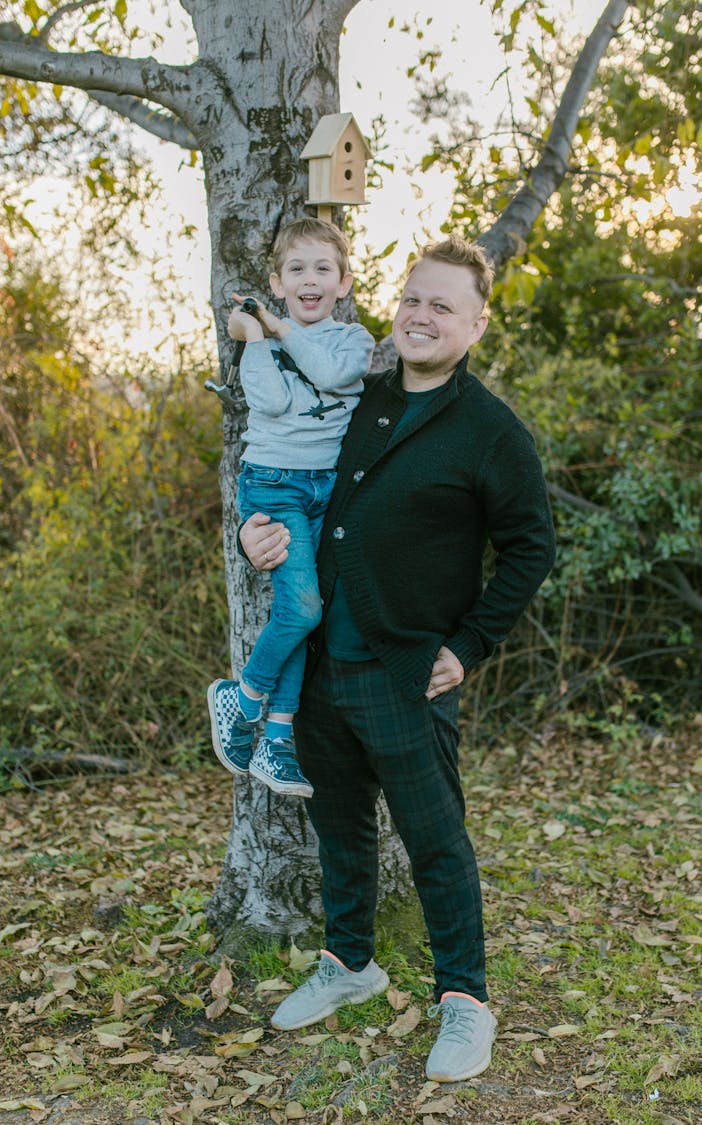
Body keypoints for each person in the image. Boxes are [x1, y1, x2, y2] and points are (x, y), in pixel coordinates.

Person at [239, 233, 556, 1083]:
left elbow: (532, 546)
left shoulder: (490, 430)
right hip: (321, 665)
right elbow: (285, 473)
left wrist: (471, 642)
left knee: (434, 840)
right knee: (339, 830)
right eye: (412, 298)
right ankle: (351, 964)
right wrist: (254, 533)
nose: (420, 315)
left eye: (442, 305)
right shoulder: (358, 397)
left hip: (407, 670)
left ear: (476, 324)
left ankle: (466, 999)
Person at [208, 218, 374, 799]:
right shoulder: (262, 344)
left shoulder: (354, 342)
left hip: (327, 489)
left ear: (344, 282)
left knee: (312, 613)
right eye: (297, 270)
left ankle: (276, 740)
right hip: (275, 487)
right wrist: (256, 339)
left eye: (323, 269)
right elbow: (273, 401)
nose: (310, 280)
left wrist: (272, 326)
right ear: (277, 282)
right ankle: (244, 696)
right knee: (302, 609)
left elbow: (329, 373)